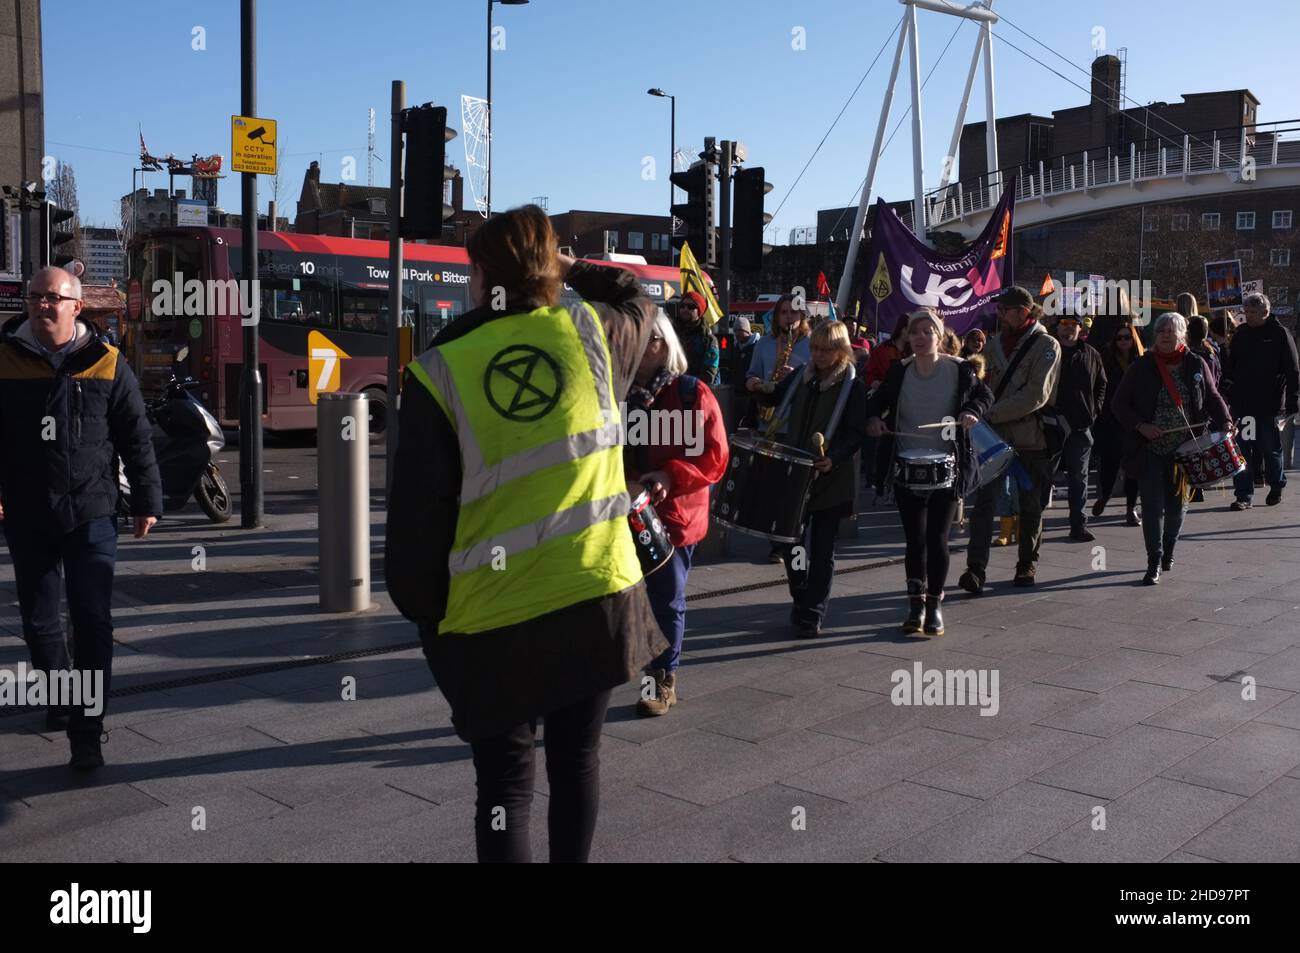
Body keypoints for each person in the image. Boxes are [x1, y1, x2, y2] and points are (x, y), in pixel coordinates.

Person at [385, 205, 666, 863]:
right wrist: (572, 269)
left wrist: (432, 624)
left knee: (506, 786)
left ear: (480, 275)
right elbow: (638, 296)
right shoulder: (594, 336)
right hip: (596, 597)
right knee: (578, 761)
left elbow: (416, 533)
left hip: (495, 620)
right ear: (550, 265)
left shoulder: (439, 371)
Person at [0, 266, 161, 770]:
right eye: (35, 297)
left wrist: (147, 501)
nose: (42, 305)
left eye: (53, 297)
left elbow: (135, 436)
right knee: (40, 621)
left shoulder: (108, 363)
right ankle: (61, 698)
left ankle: (87, 733)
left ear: (75, 306)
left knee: (92, 620)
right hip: (28, 510)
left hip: (91, 509)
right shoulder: (4, 359)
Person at [625, 312, 729, 716]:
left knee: (666, 599)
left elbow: (716, 456)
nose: (637, 346)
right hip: (626, 511)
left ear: (664, 344)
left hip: (674, 514)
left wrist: (669, 474)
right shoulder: (620, 393)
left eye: (646, 339)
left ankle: (660, 682)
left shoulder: (692, 393)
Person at [866, 309, 992, 636]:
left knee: (937, 538)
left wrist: (970, 411)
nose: (921, 338)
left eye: (927, 332)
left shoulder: (960, 369)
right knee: (914, 540)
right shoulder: (899, 371)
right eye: (915, 332)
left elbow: (984, 396)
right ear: (907, 338)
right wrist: (875, 421)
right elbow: (874, 404)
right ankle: (914, 606)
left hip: (948, 464)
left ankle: (935, 605)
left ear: (939, 336)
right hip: (907, 463)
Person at [759, 320, 866, 636]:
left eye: (826, 350)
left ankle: (813, 611)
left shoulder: (852, 385)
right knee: (792, 544)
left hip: (830, 475)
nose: (818, 355)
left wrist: (834, 457)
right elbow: (775, 397)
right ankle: (800, 595)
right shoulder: (801, 376)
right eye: (816, 348)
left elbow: (856, 432)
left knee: (822, 548)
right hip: (796, 471)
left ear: (841, 350)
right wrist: (755, 386)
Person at [1111, 312, 1231, 583]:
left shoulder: (1195, 363)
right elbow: (1119, 404)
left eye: (1171, 330)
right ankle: (1153, 560)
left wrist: (1225, 421)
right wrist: (1141, 426)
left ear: (1182, 334)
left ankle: (1169, 551)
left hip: (1187, 449)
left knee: (1177, 509)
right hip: (1149, 449)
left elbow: (1213, 397)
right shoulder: (1142, 366)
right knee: (1152, 507)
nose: (1166, 334)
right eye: (1161, 330)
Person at [959, 287, 1061, 592]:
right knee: (983, 505)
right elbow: (977, 381)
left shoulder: (1047, 345)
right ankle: (975, 569)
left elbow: (1035, 395)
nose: (999, 314)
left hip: (1030, 437)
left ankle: (1026, 562)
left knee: (1030, 505)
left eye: (1005, 310)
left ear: (1023, 312)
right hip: (993, 439)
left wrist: (990, 413)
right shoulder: (994, 345)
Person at [1223, 292, 1299, 509]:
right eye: (1246, 312)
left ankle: (1277, 485)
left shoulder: (1280, 334)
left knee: (1270, 448)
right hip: (1244, 404)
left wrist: (1293, 400)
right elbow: (1231, 363)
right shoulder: (1242, 334)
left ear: (1265, 312)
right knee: (1243, 450)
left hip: (1270, 405)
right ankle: (1243, 496)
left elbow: (1293, 370)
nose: (1249, 316)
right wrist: (1227, 384)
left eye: (1253, 312)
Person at [1049, 314, 1107, 541]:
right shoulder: (1047, 350)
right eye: (1064, 325)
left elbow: (1102, 383)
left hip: (1081, 426)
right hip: (1050, 424)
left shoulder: (1090, 354)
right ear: (1057, 328)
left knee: (1079, 478)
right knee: (1045, 476)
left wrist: (1096, 409)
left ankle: (1078, 524)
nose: (1068, 329)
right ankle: (1032, 523)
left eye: (1073, 325)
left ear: (1080, 329)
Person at [1092, 318, 1145, 526]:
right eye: (1119, 338)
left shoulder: (1142, 361)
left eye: (1127, 337)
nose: (1123, 341)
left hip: (1135, 421)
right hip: (1111, 420)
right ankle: (1105, 495)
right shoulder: (1105, 359)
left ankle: (1131, 508)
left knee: (1133, 467)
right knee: (1110, 464)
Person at [672, 292, 719, 385]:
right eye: (682, 305)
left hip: (695, 391)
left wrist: (683, 384)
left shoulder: (708, 340)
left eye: (691, 306)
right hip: (671, 390)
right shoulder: (671, 334)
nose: (685, 309)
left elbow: (709, 375)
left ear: (699, 311)